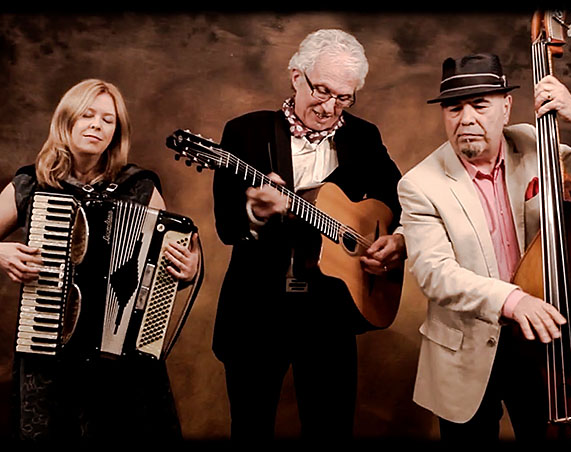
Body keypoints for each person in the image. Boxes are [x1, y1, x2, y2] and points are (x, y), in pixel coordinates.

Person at [211, 29, 405, 440]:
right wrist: (256, 212)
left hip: (331, 312)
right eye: (322, 90)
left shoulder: (363, 137)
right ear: (296, 76)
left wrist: (397, 240)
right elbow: (227, 227)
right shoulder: (246, 133)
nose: (331, 106)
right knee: (250, 430)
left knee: (331, 430)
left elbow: (400, 198)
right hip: (256, 310)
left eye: (344, 97)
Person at [398, 53, 571, 442]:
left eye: (479, 105)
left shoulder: (540, 143)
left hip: (547, 342)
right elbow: (435, 273)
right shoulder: (419, 184)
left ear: (506, 108)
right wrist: (513, 300)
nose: (465, 118)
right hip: (465, 349)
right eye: (454, 108)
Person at [0, 79, 201, 441]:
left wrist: (188, 270)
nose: (96, 125)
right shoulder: (32, 184)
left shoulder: (139, 187)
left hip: (120, 361)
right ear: (66, 121)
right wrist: (0, 252)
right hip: (49, 353)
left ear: (116, 131)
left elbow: (170, 263)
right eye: (87, 115)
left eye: (108, 120)